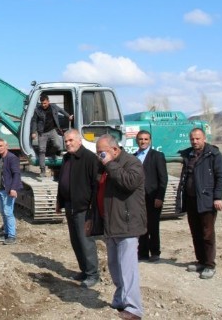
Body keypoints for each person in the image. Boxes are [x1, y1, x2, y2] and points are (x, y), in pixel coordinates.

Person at [89, 134, 146, 320]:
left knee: (127, 268)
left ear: (114, 149)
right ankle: (120, 298)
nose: (100, 156)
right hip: (110, 223)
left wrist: (109, 164)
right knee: (115, 266)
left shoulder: (132, 163)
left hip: (127, 224)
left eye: (102, 152)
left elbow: (128, 182)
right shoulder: (105, 166)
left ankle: (134, 308)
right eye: (98, 153)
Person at [177, 128, 222, 280]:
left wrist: (217, 197)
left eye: (198, 138)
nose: (195, 141)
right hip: (191, 200)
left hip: (206, 200)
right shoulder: (188, 155)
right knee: (196, 232)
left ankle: (210, 265)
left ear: (204, 138)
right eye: (192, 139)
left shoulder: (213, 155)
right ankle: (200, 261)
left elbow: (221, 177)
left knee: (207, 233)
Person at [55, 129, 101, 288]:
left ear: (79, 141)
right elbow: (63, 181)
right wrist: (59, 201)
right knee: (75, 241)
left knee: (85, 241)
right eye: (66, 141)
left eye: (71, 140)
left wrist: (92, 207)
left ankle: (93, 274)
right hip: (69, 205)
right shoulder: (67, 158)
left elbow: (96, 185)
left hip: (83, 208)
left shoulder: (89, 158)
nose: (68, 143)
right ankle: (84, 270)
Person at [135, 130, 168, 263]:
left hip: (153, 196)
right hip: (138, 198)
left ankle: (155, 252)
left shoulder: (157, 156)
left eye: (146, 139)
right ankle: (142, 252)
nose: (143, 141)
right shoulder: (134, 156)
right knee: (141, 225)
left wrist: (160, 197)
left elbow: (163, 178)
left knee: (153, 225)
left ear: (150, 141)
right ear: (137, 140)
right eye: (141, 139)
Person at [30, 94, 73, 177]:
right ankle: (42, 170)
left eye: (45, 103)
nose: (43, 105)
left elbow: (61, 110)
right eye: (42, 103)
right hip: (42, 132)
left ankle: (54, 153)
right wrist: (33, 132)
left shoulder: (54, 107)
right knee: (42, 150)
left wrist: (68, 116)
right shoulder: (37, 110)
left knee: (58, 145)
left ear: (48, 102)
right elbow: (34, 121)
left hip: (52, 130)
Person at [0, 138, 23, 245]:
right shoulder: (1, 159)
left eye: (1, 146)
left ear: (6, 146)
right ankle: (6, 233)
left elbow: (16, 174)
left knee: (8, 212)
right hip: (0, 190)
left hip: (8, 190)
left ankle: (12, 236)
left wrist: (13, 188)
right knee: (3, 213)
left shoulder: (12, 158)